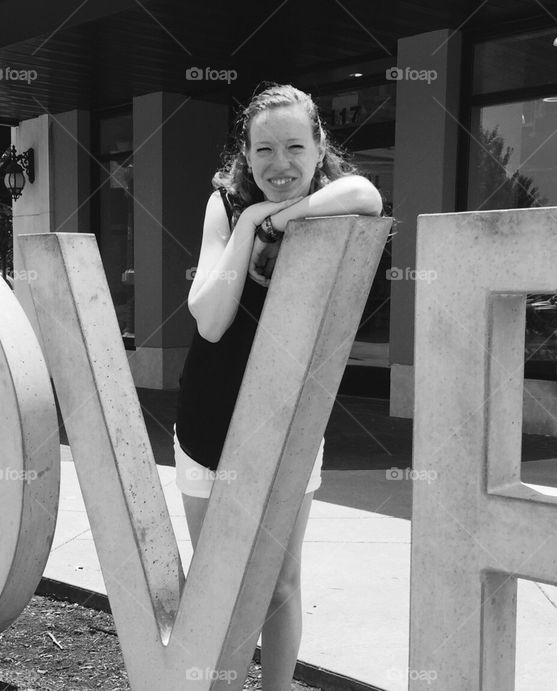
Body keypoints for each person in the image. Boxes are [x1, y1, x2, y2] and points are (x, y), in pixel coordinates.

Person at [173, 83, 383, 690]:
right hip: (209, 417)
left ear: (320, 148)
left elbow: (366, 194)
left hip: (289, 419)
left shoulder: (330, 200)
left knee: (281, 580)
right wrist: (251, 226)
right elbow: (209, 319)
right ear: (245, 151)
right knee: (217, 579)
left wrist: (286, 215)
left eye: (295, 146)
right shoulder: (227, 204)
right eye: (263, 149)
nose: (279, 164)